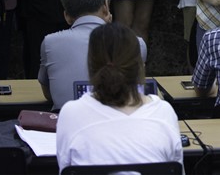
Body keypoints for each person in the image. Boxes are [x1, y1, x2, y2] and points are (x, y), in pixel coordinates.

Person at [56, 22, 182, 171]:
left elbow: (65, 167)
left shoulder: (71, 113)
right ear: (140, 66)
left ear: (90, 65)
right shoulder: (164, 112)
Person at [39, 0, 147, 110]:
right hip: (121, 117)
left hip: (66, 118)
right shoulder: (136, 43)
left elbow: (49, 94)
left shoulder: (50, 42)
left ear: (67, 16)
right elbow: (136, 91)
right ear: (106, 7)